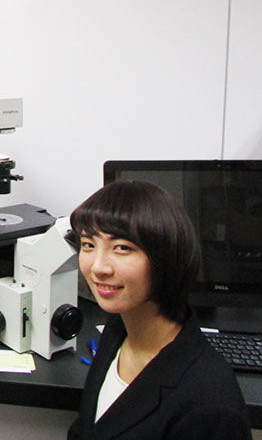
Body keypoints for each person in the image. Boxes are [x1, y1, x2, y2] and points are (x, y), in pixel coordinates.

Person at [67, 181, 251, 439]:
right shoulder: (118, 330)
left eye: (122, 247)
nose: (98, 267)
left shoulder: (210, 404)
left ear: (166, 257)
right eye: (88, 244)